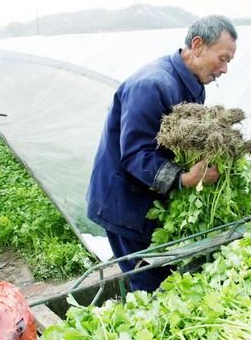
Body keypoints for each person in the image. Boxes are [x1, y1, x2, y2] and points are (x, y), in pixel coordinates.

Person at [86, 16, 238, 292]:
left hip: (151, 200)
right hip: (127, 205)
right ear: (198, 45)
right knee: (151, 285)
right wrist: (184, 179)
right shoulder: (152, 85)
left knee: (168, 279)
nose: (225, 69)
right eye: (223, 58)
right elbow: (134, 154)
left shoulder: (193, 85)